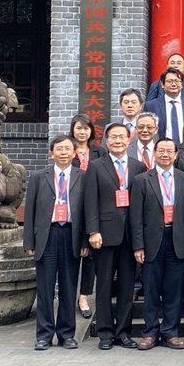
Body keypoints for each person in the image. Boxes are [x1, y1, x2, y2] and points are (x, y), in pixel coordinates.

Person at [84, 123, 147, 350]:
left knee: (127, 287)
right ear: (106, 140)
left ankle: (123, 333)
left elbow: (142, 203)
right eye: (113, 137)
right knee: (104, 287)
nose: (118, 141)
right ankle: (105, 334)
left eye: (122, 137)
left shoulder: (138, 166)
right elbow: (90, 201)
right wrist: (93, 231)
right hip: (104, 235)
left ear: (129, 140)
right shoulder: (96, 166)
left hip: (130, 236)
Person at [23, 135, 88, 351]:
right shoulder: (38, 177)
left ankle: (66, 334)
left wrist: (85, 240)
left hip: (71, 235)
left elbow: (88, 211)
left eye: (67, 149)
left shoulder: (83, 177)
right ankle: (43, 335)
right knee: (45, 289)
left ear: (74, 153)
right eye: (59, 149)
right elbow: (30, 211)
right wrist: (29, 241)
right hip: (47, 236)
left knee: (69, 288)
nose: (63, 152)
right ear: (51, 153)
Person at [130, 138, 184, 351]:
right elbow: (135, 216)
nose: (165, 154)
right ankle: (150, 333)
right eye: (161, 151)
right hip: (151, 241)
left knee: (174, 290)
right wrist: (138, 246)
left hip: (178, 239)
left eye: (169, 151)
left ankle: (170, 333)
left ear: (176, 155)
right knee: (151, 289)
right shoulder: (141, 180)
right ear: (154, 153)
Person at [69, 113, 106, 319]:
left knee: (91, 256)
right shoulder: (67, 149)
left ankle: (84, 297)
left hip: (95, 206)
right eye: (78, 128)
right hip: (73, 207)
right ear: (72, 130)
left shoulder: (99, 152)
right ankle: (69, 294)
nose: (82, 132)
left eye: (86, 128)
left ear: (91, 131)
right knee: (73, 254)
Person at [143, 68, 184, 145]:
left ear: (182, 84)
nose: (174, 84)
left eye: (177, 81)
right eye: (169, 81)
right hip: (161, 148)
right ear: (162, 84)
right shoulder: (151, 106)